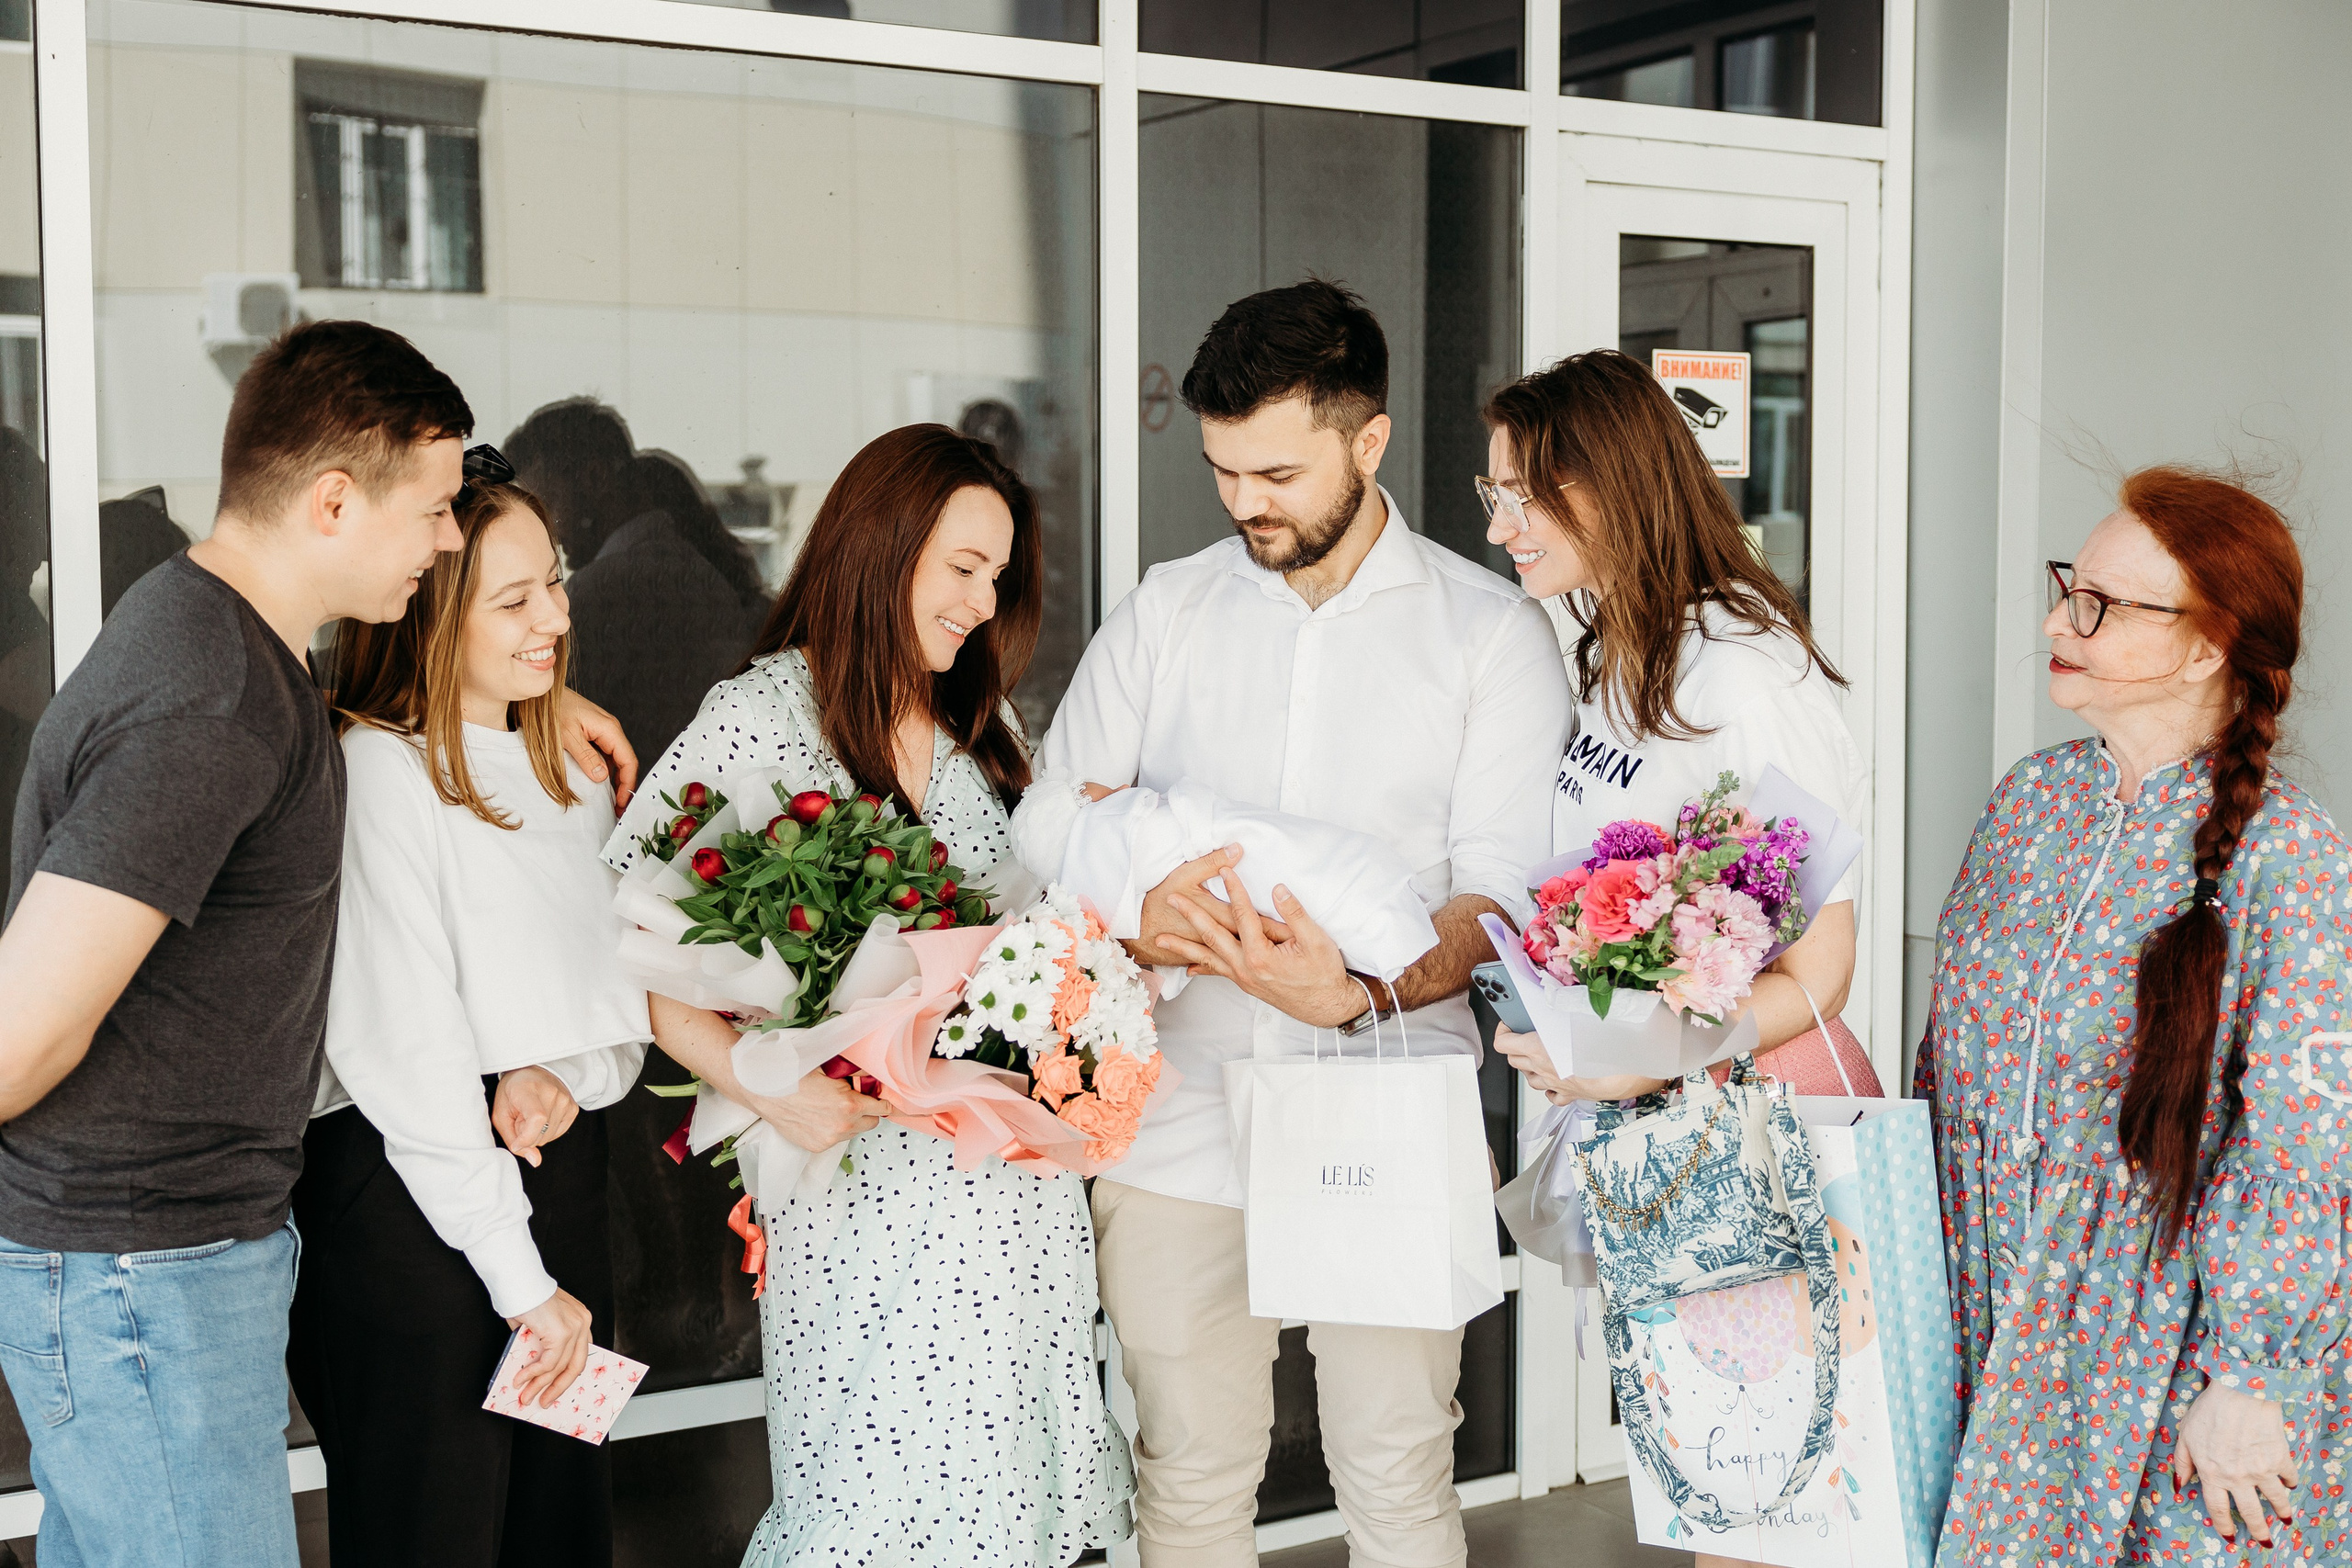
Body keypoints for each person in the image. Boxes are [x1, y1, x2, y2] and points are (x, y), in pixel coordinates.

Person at [0, 321, 633, 1568]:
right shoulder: (211, 695)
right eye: (439, 509)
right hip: (143, 1268)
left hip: (175, 1258)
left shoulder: (239, 654)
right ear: (335, 499)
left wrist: (530, 702)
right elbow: (32, 1018)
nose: (451, 538)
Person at [1038, 279, 1571, 1566]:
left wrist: (1362, 992)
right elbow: (1053, 811)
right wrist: (1141, 909)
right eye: (1224, 470)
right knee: (1189, 1473)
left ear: (1368, 440)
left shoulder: (1491, 633)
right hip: (1176, 1119)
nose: (1243, 502)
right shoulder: (1169, 608)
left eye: (1274, 470)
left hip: (1386, 1100)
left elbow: (1498, 895)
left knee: (1395, 1471)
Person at [605, 423, 1133, 1566]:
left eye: (997, 576)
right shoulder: (758, 720)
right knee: (866, 1510)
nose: (984, 603)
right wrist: (759, 1078)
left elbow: (1035, 945)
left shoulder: (985, 734)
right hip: (855, 1201)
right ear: (879, 545)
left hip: (1012, 1202)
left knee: (1012, 1513)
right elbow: (623, 936)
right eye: (962, 568)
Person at [1917, 467, 2347, 1562]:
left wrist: (2249, 1372)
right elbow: (1948, 1070)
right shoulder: (2029, 801)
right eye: (2071, 587)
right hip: (1984, 1300)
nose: (2062, 620)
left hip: (2160, 1336)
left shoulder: (2289, 857)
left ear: (2208, 645)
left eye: (2106, 605)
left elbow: (2301, 1143)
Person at [289, 461, 650, 1567]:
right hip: (417, 1215)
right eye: (513, 599)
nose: (553, 620)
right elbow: (401, 1048)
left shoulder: (573, 768)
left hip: (560, 1196)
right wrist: (520, 1280)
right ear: (434, 617)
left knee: (559, 1527)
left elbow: (620, 1009)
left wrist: (565, 1077)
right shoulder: (377, 775)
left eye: (557, 584)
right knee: (432, 1533)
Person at [1481, 350, 1878, 1132]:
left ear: (1616, 487)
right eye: (1495, 494)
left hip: (1759, 1137)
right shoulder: (1619, 661)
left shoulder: (1742, 676)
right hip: (1649, 1125)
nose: (1500, 528)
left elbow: (1820, 975)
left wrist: (1650, 1054)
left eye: (1524, 499)